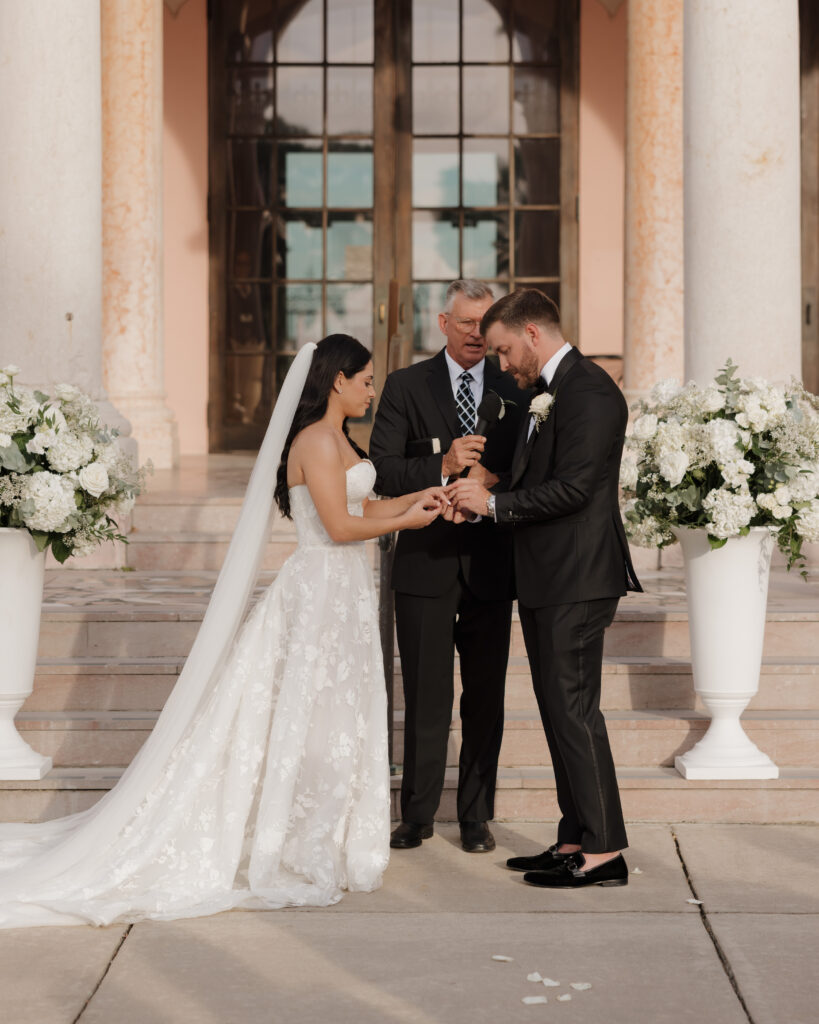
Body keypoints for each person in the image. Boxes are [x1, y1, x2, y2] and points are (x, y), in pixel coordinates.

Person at [0, 335, 446, 928]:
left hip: (342, 595)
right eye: (365, 379)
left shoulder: (337, 438)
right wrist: (412, 521)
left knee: (333, 717)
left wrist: (424, 499)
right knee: (305, 718)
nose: (372, 388)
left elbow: (365, 510)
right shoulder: (314, 440)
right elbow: (339, 527)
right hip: (316, 593)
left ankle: (316, 833)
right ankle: (287, 841)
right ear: (337, 380)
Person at [448, 289, 642, 889]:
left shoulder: (589, 391)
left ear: (533, 332)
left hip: (578, 578)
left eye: (504, 350)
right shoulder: (542, 394)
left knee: (576, 713)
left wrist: (493, 504)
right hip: (545, 579)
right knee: (560, 714)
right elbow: (525, 469)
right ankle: (573, 838)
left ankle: (605, 850)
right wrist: (476, 485)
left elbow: (576, 489)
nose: (501, 364)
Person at [370, 280, 526, 854]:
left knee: (485, 698)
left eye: (486, 324)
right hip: (425, 564)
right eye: (466, 323)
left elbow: (533, 466)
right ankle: (416, 814)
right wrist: (440, 463)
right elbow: (383, 469)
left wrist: (492, 481)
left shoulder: (516, 384)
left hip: (490, 564)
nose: (476, 335)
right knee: (426, 695)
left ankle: (476, 817)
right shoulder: (405, 385)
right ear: (442, 322)